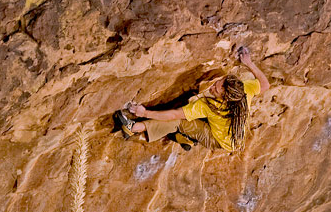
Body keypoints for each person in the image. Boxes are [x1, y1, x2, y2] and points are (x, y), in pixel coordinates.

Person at [114, 46, 269, 152]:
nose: (213, 86)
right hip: (232, 136)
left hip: (217, 140)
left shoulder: (208, 105)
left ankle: (133, 128)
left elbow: (174, 115)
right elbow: (265, 85)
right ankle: (185, 138)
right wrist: (249, 63)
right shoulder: (244, 91)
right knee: (191, 103)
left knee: (179, 122)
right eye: (217, 83)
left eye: (216, 89)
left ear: (224, 98)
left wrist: (145, 112)